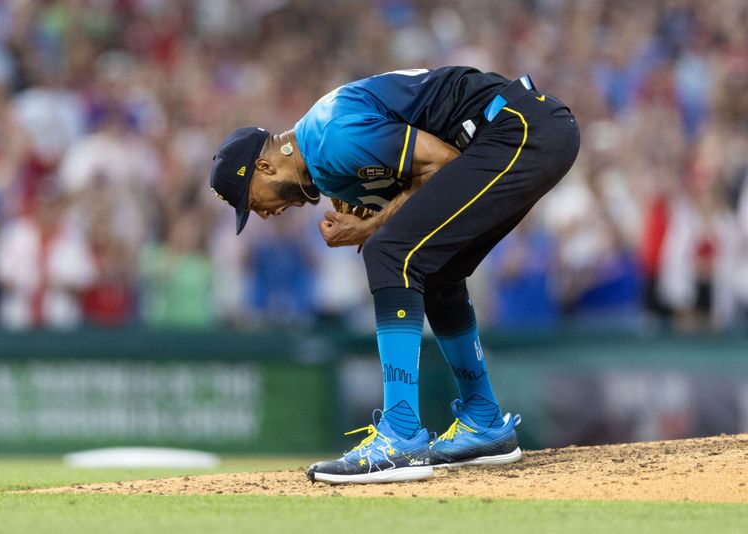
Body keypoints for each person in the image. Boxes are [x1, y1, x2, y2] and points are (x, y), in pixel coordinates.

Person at [209, 67, 580, 484]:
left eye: (250, 200)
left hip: (520, 129)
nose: (261, 213)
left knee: (391, 252)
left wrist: (372, 227)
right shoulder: (323, 159)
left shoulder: (333, 136)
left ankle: (400, 433)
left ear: (264, 165)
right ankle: (484, 420)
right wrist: (373, 212)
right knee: (434, 267)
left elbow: (443, 162)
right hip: (519, 131)